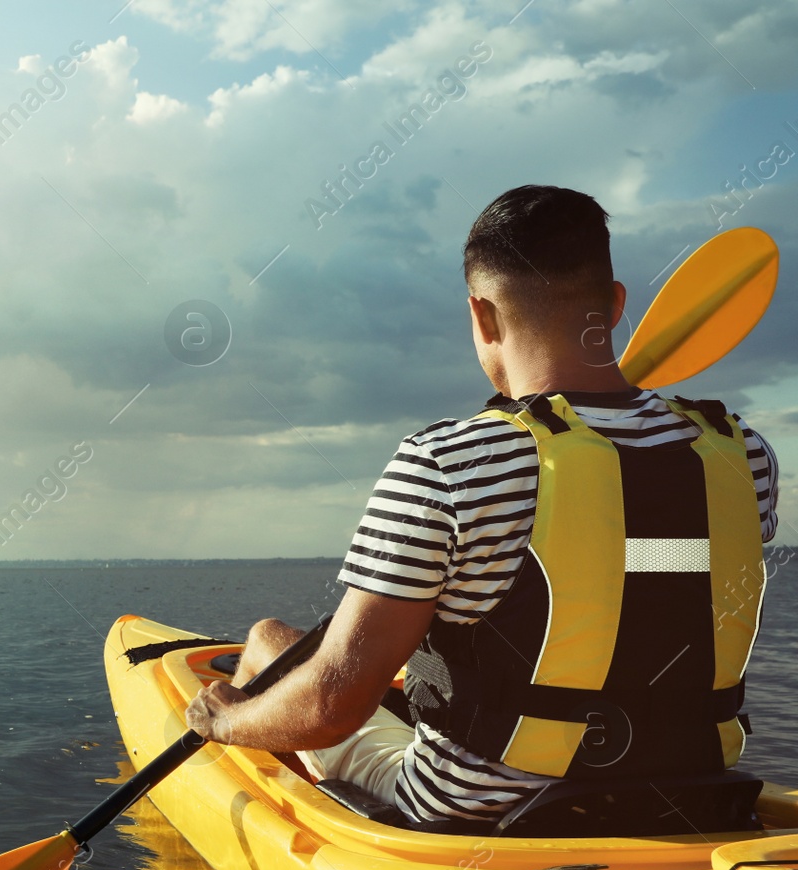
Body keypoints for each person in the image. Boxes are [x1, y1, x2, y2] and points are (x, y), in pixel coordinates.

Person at [185, 185, 778, 826]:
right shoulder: (742, 453)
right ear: (614, 305)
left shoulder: (444, 461)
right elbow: (650, 567)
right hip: (693, 794)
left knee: (270, 641)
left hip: (479, 814)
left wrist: (229, 719)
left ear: (482, 316)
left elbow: (333, 706)